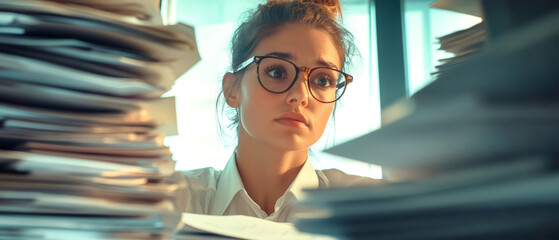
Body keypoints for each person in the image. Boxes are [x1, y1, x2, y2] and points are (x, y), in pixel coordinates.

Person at [173, 0, 382, 222]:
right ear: (232, 89)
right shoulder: (169, 202)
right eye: (276, 72)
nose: (301, 95)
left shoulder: (372, 209)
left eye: (322, 80)